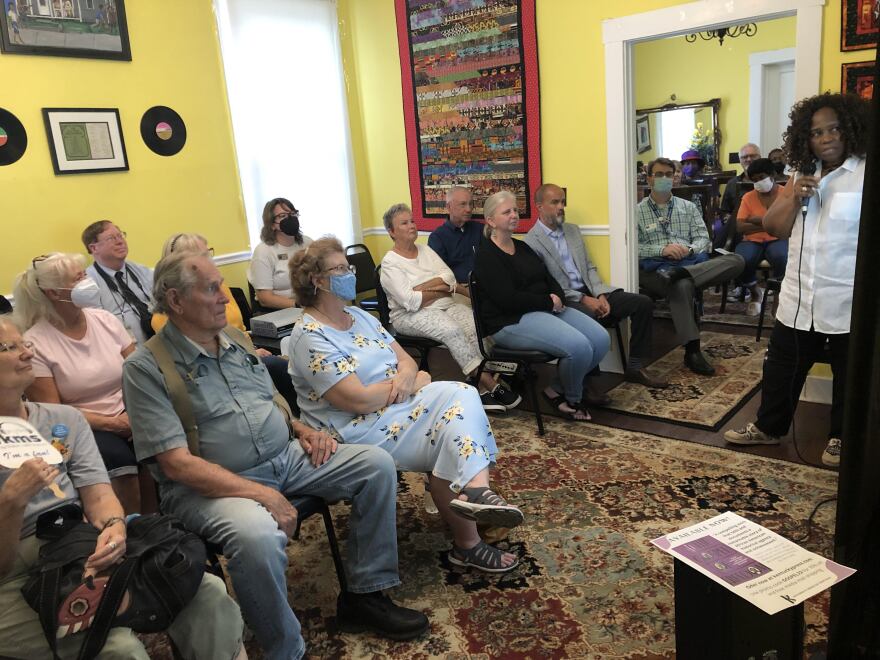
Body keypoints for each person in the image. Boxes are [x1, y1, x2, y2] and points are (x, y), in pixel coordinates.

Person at [123, 251, 428, 660]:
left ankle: (364, 595)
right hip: (211, 487)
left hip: (284, 457)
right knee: (257, 535)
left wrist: (303, 430)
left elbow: (270, 403)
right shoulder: (146, 368)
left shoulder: (234, 339)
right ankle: (287, 649)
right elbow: (176, 464)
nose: (225, 299)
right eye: (212, 289)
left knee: (375, 465)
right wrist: (263, 495)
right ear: (176, 301)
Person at [0, 315, 246, 660]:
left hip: (74, 545)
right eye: (7, 348)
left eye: (25, 344)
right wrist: (10, 501)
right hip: (11, 575)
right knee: (119, 649)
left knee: (206, 592)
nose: (27, 354)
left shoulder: (63, 419)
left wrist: (113, 528)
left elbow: (98, 494)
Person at [288, 237, 525, 574]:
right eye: (340, 269)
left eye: (348, 267)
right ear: (317, 280)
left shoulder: (358, 316)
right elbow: (356, 399)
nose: (350, 274)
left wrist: (409, 377)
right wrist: (410, 383)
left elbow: (407, 360)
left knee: (458, 406)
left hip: (393, 409)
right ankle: (473, 514)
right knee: (455, 409)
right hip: (352, 428)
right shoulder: (309, 336)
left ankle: (473, 510)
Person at [724, 92, 869, 468]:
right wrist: (793, 197)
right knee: (782, 367)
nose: (826, 138)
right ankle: (769, 428)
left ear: (850, 130)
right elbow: (774, 227)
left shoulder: (866, 174)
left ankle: (841, 437)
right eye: (817, 132)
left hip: (847, 297)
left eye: (834, 129)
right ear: (806, 139)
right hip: (799, 294)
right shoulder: (800, 176)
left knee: (850, 373)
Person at [13, 253, 141, 513]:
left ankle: (160, 523)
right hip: (83, 425)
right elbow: (53, 409)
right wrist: (114, 424)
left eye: (84, 274)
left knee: (162, 445)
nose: (87, 282)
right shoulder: (36, 342)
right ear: (52, 292)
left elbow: (139, 372)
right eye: (78, 278)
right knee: (121, 460)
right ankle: (131, 527)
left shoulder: (105, 319)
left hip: (131, 411)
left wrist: (134, 413)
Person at [474, 191, 610, 421]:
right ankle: (572, 399)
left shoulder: (523, 247)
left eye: (515, 210)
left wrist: (557, 296)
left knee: (600, 339)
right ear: (490, 220)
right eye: (506, 212)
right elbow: (507, 299)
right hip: (509, 321)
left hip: (542, 309)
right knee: (579, 346)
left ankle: (556, 388)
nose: (514, 215)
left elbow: (549, 279)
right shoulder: (486, 255)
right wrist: (548, 301)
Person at [524, 184, 667, 390]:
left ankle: (635, 367)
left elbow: (589, 267)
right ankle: (587, 382)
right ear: (539, 206)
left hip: (592, 290)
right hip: (566, 300)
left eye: (563, 201)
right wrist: (584, 299)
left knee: (642, 303)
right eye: (554, 202)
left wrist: (599, 294)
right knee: (588, 319)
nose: (561, 206)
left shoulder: (572, 230)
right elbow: (547, 285)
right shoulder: (531, 241)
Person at [380, 203, 520, 412]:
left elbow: (449, 277)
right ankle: (489, 382)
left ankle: (478, 390)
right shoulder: (390, 264)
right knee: (452, 331)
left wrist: (425, 287)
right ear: (391, 231)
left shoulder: (425, 250)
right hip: (410, 316)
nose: (412, 226)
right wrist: (441, 288)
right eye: (404, 223)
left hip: (443, 305)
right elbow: (410, 302)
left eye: (412, 221)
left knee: (475, 324)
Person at [154, 232, 298, 412]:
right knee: (279, 368)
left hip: (243, 347)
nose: (222, 298)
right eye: (201, 256)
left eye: (208, 254)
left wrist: (249, 349)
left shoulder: (219, 286)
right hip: (219, 364)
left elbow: (239, 329)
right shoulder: (163, 320)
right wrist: (249, 353)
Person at [637, 158, 745, 376]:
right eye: (658, 174)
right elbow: (633, 248)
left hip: (688, 263)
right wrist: (663, 250)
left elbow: (703, 240)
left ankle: (680, 273)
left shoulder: (688, 208)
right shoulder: (636, 211)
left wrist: (687, 249)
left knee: (737, 260)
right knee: (682, 285)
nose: (665, 179)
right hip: (654, 269)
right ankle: (692, 350)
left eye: (669, 174)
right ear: (649, 178)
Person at [82, 220, 154, 345]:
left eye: (120, 235)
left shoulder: (141, 271)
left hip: (161, 343)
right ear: (94, 248)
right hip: (123, 354)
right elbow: (95, 330)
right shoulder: (88, 285)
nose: (120, 242)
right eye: (111, 238)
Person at [733, 158, 789, 315]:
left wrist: (756, 220)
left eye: (762, 177)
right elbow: (740, 226)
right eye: (755, 180)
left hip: (778, 238)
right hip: (752, 240)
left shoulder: (785, 194)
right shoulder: (748, 197)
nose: (759, 182)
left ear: (772, 175)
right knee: (742, 259)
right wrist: (769, 221)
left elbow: (786, 224)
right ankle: (756, 292)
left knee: (782, 256)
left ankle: (779, 295)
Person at [248, 197, 313, 310]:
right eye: (283, 216)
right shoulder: (263, 251)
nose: (290, 218)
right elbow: (265, 299)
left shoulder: (307, 243)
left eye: (292, 214)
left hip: (307, 306)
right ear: (272, 224)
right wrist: (298, 305)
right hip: (276, 312)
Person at [427, 186, 483, 285]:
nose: (469, 209)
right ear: (449, 207)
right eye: (463, 204)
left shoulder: (480, 229)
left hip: (484, 284)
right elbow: (440, 275)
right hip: (457, 289)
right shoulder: (437, 238)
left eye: (470, 204)